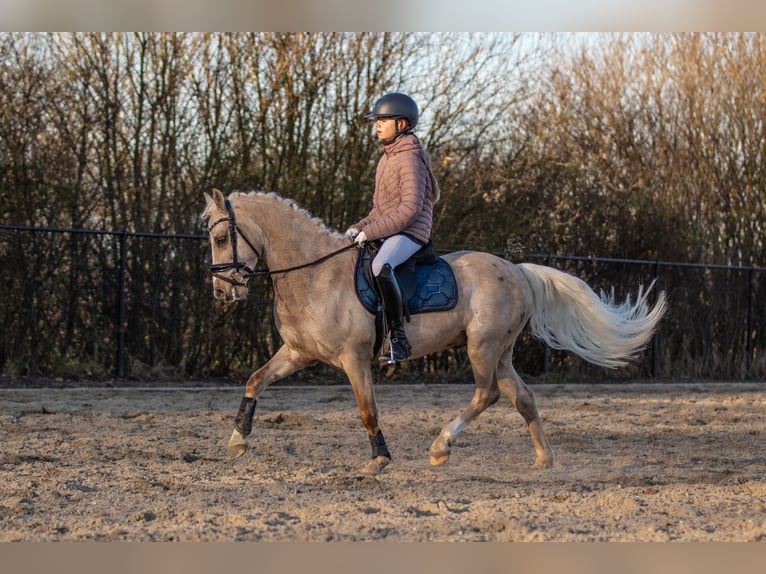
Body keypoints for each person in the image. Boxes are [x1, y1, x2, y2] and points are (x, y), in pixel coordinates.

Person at [346, 92, 440, 363]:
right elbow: (379, 211)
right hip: (392, 230)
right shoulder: (386, 158)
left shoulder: (409, 158)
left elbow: (410, 210)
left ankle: (398, 338)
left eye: (382, 120)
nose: (376, 124)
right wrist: (358, 227)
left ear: (401, 124)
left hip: (411, 232)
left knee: (379, 266)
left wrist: (372, 232)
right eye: (377, 120)